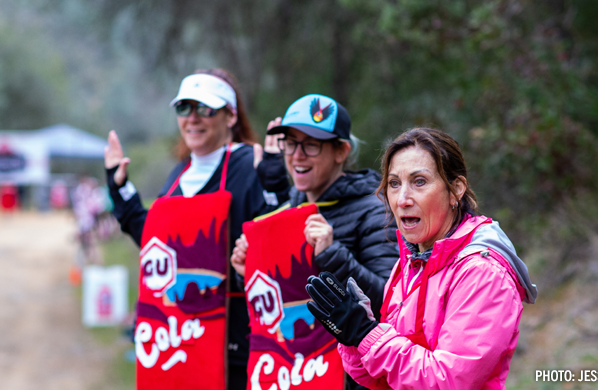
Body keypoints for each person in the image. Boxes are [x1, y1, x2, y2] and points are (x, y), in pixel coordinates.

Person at [305, 128, 538, 389]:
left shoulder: (483, 272)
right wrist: (353, 338)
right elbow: (382, 380)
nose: (402, 199)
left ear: (455, 190)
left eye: (419, 182)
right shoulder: (409, 262)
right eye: (394, 183)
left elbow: (447, 381)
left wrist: (367, 334)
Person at [104, 68, 283, 390]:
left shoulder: (251, 164)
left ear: (230, 117)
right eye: (185, 108)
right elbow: (156, 245)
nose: (193, 118)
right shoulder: (178, 175)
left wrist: (276, 188)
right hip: (178, 338)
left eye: (205, 109)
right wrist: (121, 190)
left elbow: (275, 242)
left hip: (236, 345)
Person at [231, 93, 397, 315]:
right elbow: (282, 297)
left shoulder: (376, 210)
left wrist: (332, 255)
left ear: (341, 152)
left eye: (311, 145)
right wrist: (247, 272)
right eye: (291, 144)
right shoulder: (290, 206)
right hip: (291, 347)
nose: (297, 156)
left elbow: (389, 301)